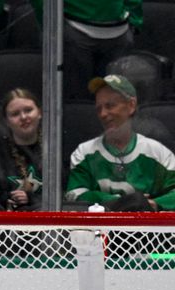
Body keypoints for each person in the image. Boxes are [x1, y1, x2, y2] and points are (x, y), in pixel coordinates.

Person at [65, 75, 175, 211]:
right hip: (98, 230)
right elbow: (75, 194)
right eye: (99, 108)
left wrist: (153, 204)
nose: (103, 114)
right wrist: (121, 202)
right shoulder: (84, 153)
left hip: (147, 230)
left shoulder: (158, 153)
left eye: (110, 106)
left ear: (131, 105)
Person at [29, 0, 141, 100]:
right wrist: (52, 27)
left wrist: (134, 20)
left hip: (119, 35)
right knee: (77, 98)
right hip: (74, 32)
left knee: (117, 100)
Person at [0, 88, 42, 211]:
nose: (23, 117)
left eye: (28, 110)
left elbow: (66, 196)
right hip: (2, 223)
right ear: (6, 121)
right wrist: (3, 198)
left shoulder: (55, 149)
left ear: (40, 112)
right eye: (15, 114)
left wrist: (32, 199)